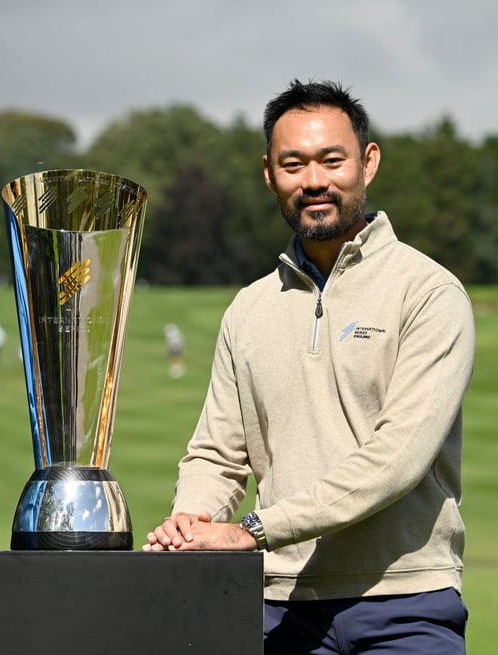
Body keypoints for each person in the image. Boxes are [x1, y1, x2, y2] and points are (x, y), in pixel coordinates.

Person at [144, 80, 474, 654]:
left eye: (331, 160)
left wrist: (250, 531)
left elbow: (395, 460)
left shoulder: (428, 292)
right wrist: (192, 522)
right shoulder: (249, 307)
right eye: (293, 164)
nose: (314, 181)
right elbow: (217, 452)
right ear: (269, 173)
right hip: (280, 609)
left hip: (405, 602)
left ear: (367, 163)